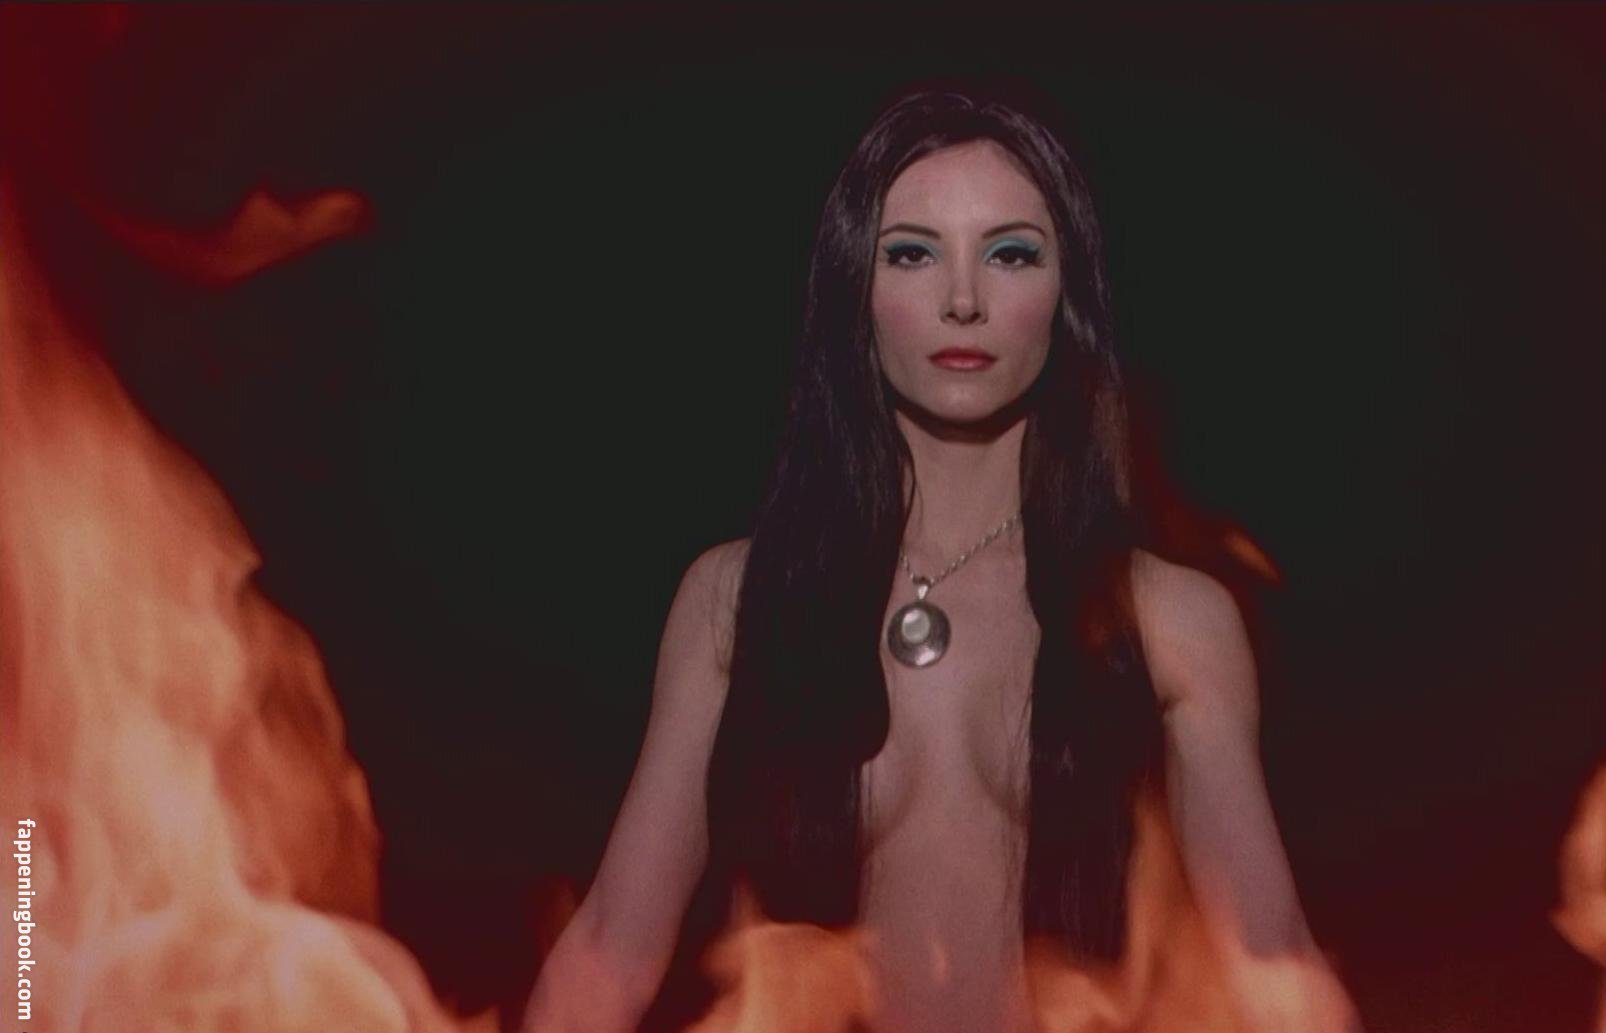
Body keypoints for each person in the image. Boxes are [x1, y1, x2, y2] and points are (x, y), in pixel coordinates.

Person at [521, 81, 1347, 1033]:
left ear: (1067, 295)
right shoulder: (736, 600)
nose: (963, 300)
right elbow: (612, 947)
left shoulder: (1169, 618)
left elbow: (1274, 968)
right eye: (912, 252)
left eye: (1010, 253)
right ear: (855, 290)